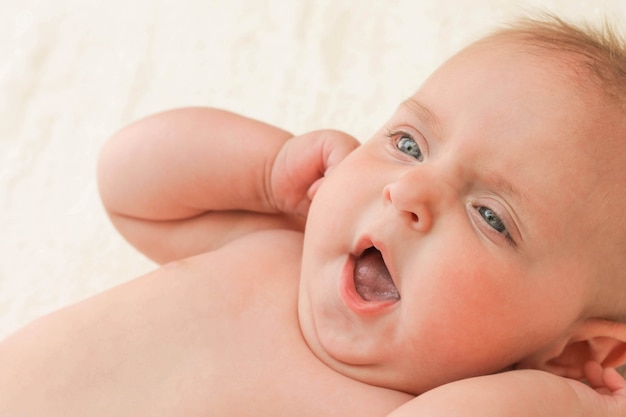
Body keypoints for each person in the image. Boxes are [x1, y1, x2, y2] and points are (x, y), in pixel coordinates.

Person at [1, 14, 626, 417]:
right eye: (409, 143)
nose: (412, 190)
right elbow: (129, 183)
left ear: (572, 353)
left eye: (491, 216)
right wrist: (271, 172)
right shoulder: (276, 249)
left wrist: (575, 406)